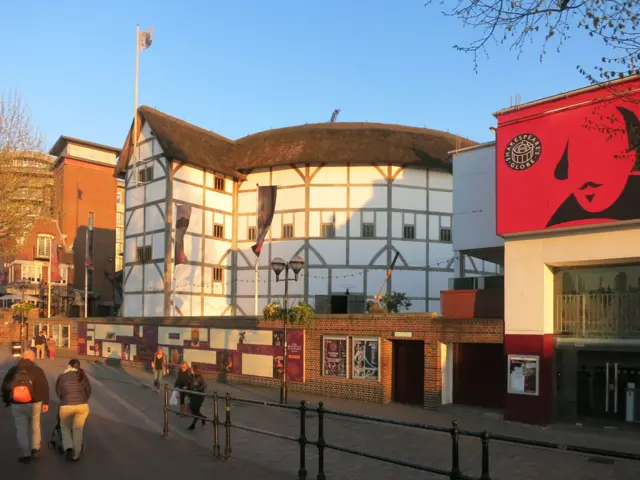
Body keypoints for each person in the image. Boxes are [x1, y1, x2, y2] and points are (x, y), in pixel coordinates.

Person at [1, 350, 50, 464]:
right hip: (34, 403)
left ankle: (25, 453)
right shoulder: (37, 370)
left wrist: (7, 400)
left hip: (17, 403)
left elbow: (5, 386)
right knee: (35, 426)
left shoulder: (14, 370)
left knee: (21, 428)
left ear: (22, 357)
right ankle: (35, 449)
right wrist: (46, 402)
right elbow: (44, 386)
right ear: (32, 358)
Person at [56, 359, 91, 462]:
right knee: (78, 429)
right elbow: (88, 391)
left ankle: (68, 447)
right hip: (82, 406)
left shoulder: (62, 377)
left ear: (69, 366)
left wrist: (65, 399)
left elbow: (58, 392)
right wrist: (83, 400)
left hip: (66, 406)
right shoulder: (83, 376)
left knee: (65, 426)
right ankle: (76, 454)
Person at [186, 364, 207, 431]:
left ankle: (193, 425)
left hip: (199, 396)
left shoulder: (200, 378)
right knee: (193, 410)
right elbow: (189, 384)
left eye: (192, 369)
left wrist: (197, 389)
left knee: (195, 410)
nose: (191, 370)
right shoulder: (192, 376)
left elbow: (204, 385)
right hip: (193, 395)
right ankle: (203, 418)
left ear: (195, 370)